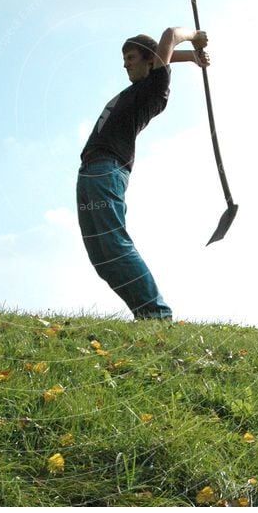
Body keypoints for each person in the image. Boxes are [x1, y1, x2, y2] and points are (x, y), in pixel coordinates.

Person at [76, 26, 209, 321]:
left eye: (131, 57)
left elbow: (170, 35)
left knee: (112, 242)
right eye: (124, 59)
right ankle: (145, 315)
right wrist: (192, 57)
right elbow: (162, 54)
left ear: (148, 60)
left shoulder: (154, 88)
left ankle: (157, 314)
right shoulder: (143, 82)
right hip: (90, 171)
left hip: (107, 169)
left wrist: (194, 36)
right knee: (101, 256)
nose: (125, 64)